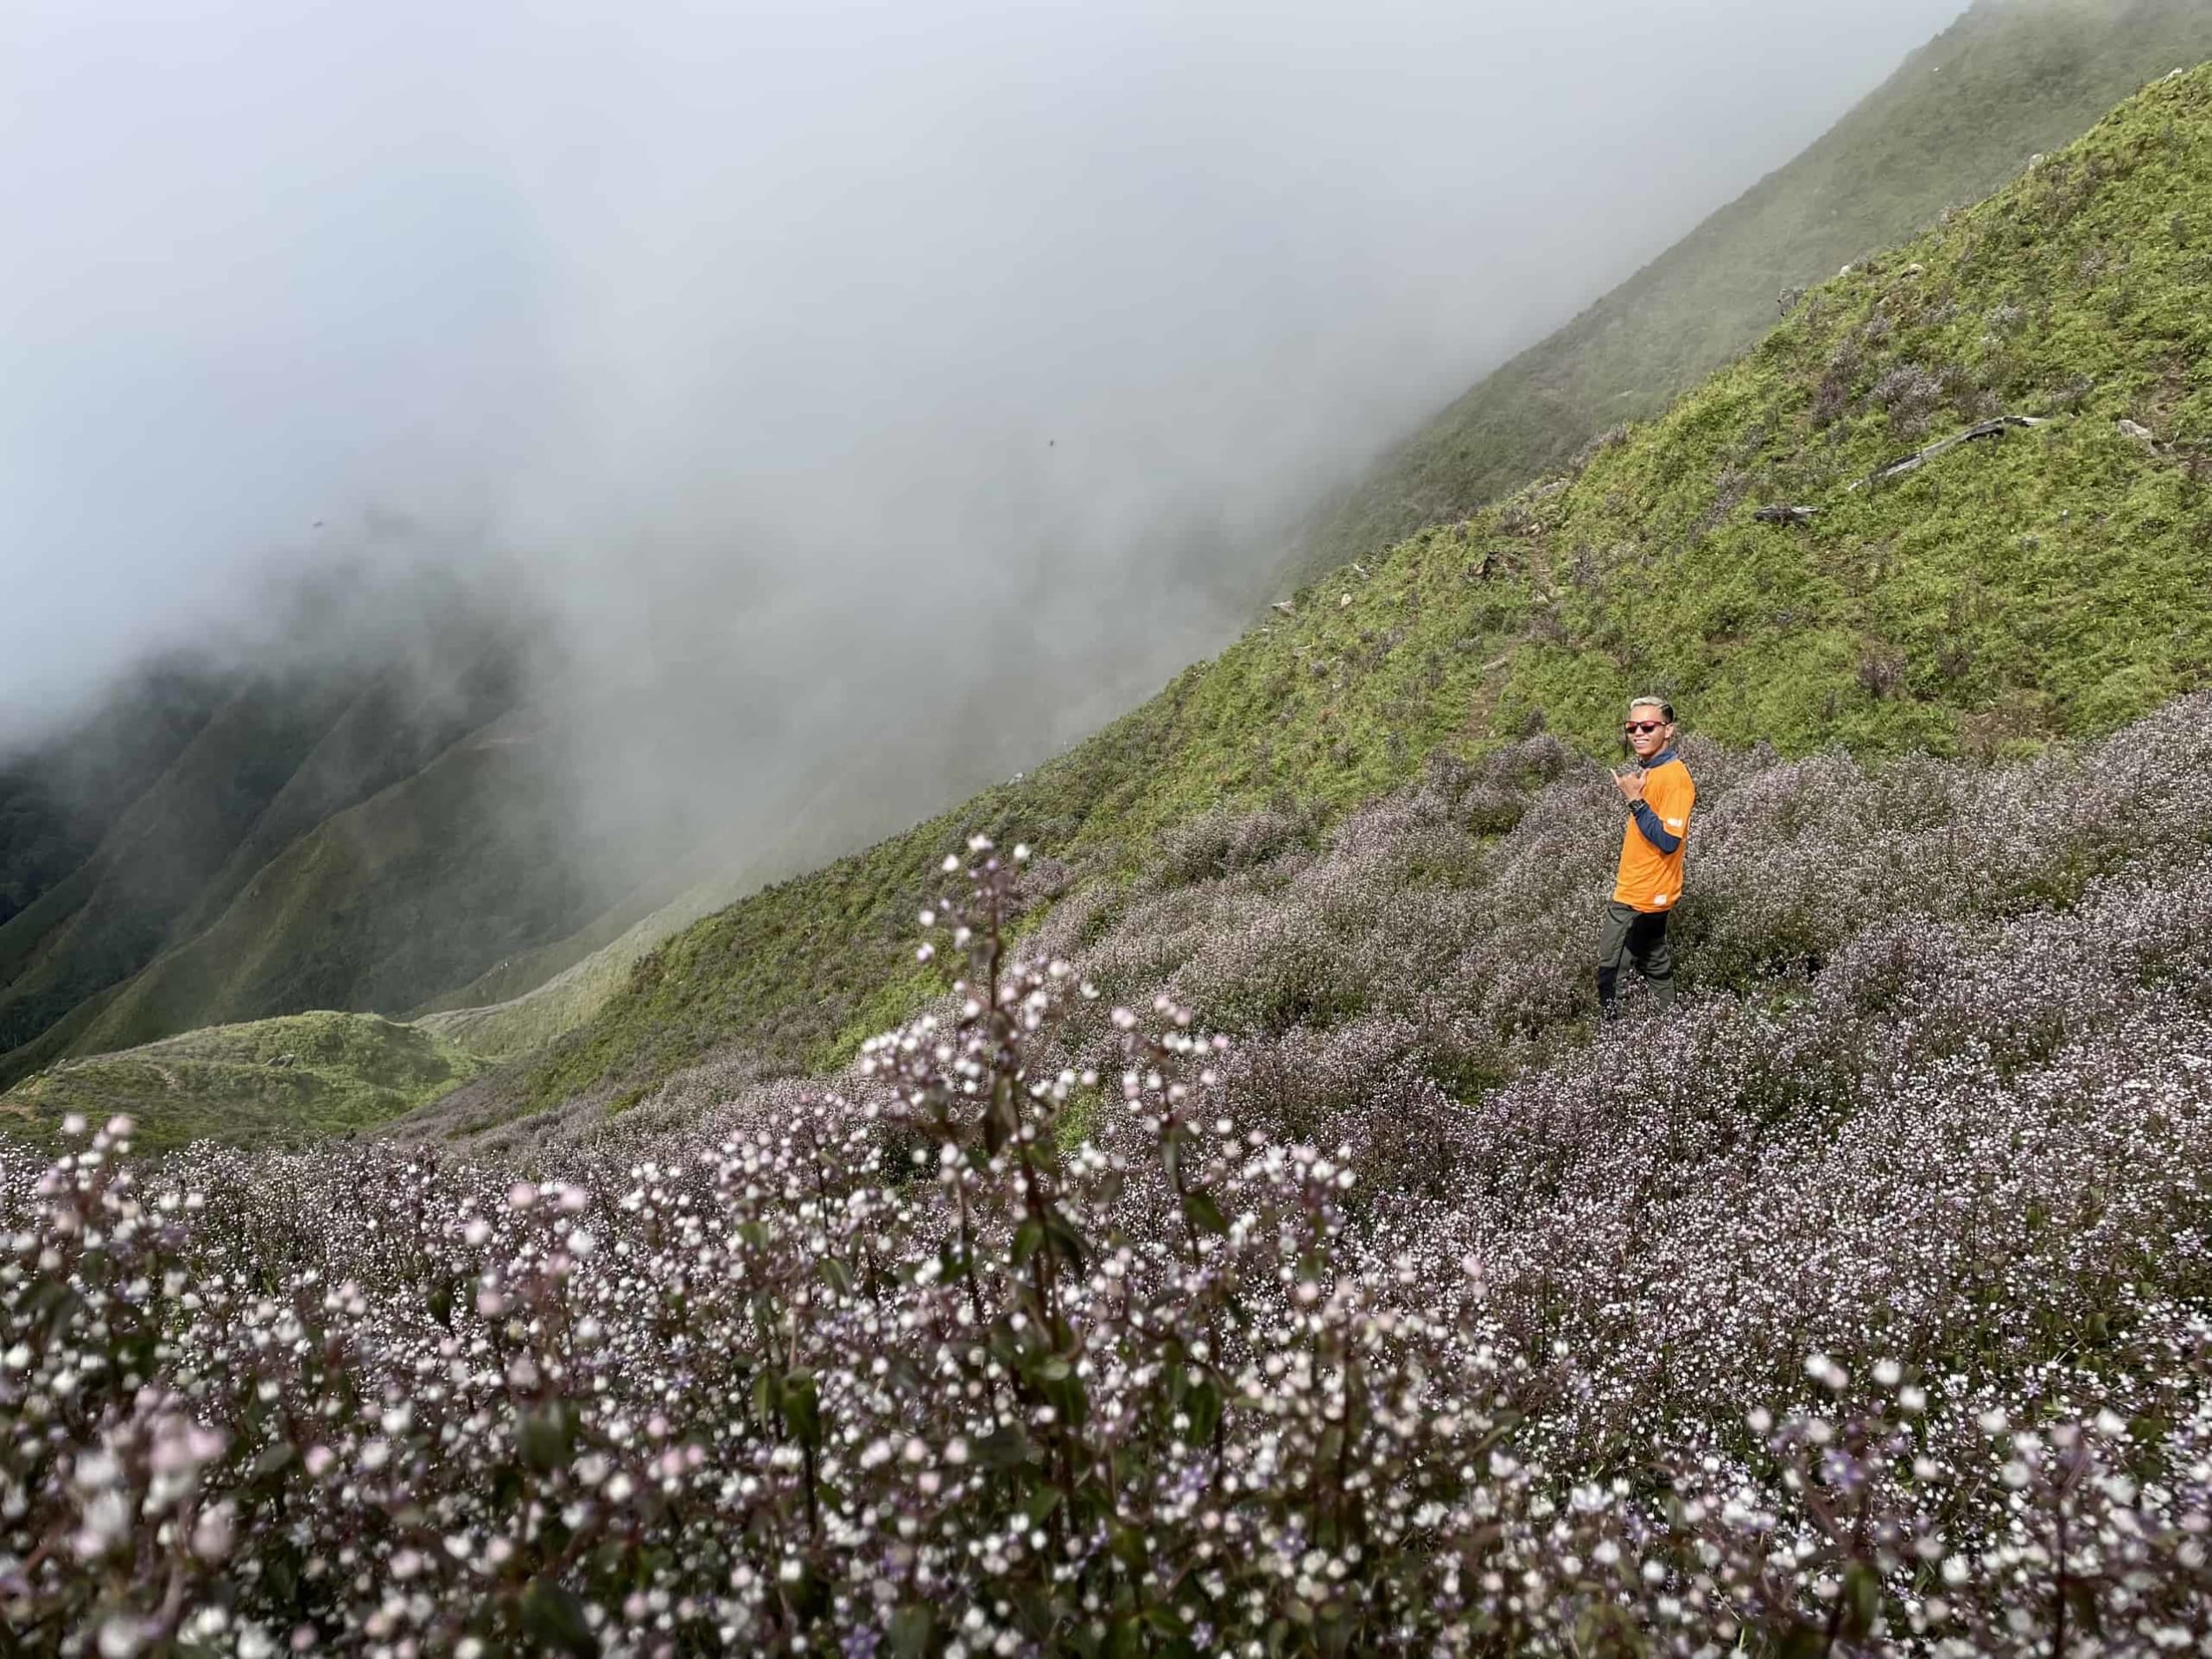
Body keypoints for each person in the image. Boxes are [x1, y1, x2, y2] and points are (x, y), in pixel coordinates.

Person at [1598, 696, 1694, 1019]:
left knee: (1611, 972)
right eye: (1632, 727)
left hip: (1639, 896)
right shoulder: (1653, 771)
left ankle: (1615, 1045)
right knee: (1655, 964)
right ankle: (1674, 1030)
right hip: (1650, 892)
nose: (1638, 733)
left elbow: (1668, 839)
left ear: (1668, 730)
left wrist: (1635, 802)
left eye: (1648, 726)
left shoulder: (1675, 779)